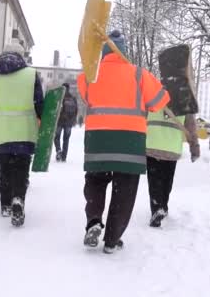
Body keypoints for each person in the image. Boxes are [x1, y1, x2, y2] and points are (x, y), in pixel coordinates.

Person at [77, 30, 170, 254]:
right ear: (124, 50)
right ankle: (111, 239)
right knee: (125, 189)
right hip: (130, 140)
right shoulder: (139, 74)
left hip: (98, 139)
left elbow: (86, 95)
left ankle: (94, 221)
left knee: (96, 182)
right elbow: (160, 102)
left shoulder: (89, 76)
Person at [0, 42, 44, 227]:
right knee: (21, 169)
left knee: (5, 169)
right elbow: (40, 105)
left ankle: (5, 205)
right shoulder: (31, 74)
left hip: (2, 131)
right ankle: (18, 199)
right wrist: (46, 129)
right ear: (21, 56)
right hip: (25, 131)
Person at [145, 110, 200, 227]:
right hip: (172, 147)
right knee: (167, 180)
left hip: (153, 144)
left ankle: (157, 208)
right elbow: (191, 126)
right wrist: (194, 146)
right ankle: (163, 207)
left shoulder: (153, 95)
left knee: (154, 181)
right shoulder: (184, 98)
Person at [54, 83, 78, 162]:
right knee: (66, 139)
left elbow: (55, 108)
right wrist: (73, 120)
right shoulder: (73, 98)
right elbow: (76, 110)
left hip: (59, 121)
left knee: (56, 137)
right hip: (69, 122)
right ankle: (64, 157)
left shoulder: (59, 96)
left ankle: (58, 151)